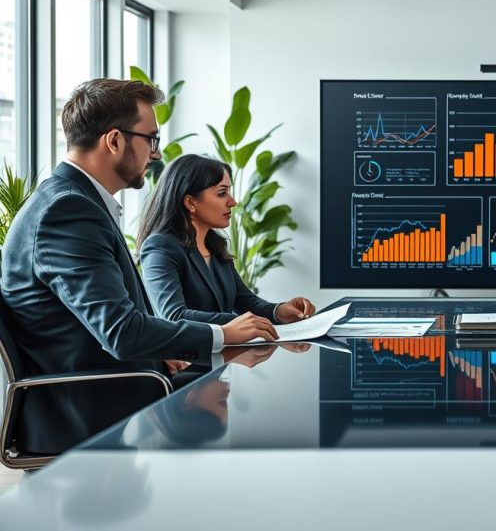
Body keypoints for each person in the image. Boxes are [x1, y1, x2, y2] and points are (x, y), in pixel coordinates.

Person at [0, 78, 278, 453]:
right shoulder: (68, 211)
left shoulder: (73, 202)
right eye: (151, 139)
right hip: (86, 411)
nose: (157, 154)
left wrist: (159, 350)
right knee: (257, 422)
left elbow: (105, 321)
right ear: (114, 141)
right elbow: (121, 333)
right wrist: (224, 334)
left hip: (104, 392)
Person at [137, 154, 315, 325]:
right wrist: (240, 322)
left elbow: (244, 301)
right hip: (185, 355)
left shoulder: (215, 247)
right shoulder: (160, 246)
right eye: (222, 193)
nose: (233, 202)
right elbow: (174, 316)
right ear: (190, 202)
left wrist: (279, 311)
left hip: (222, 354)